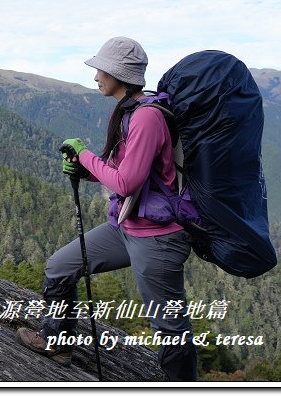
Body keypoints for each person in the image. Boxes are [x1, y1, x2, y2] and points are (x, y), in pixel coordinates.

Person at [16, 36, 197, 381]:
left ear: (118, 73)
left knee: (169, 322)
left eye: (101, 69)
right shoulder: (127, 112)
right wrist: (87, 171)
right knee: (59, 267)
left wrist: (84, 154)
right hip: (127, 226)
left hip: (157, 238)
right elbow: (123, 173)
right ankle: (58, 343)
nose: (96, 75)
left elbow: (127, 183)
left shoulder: (146, 118)